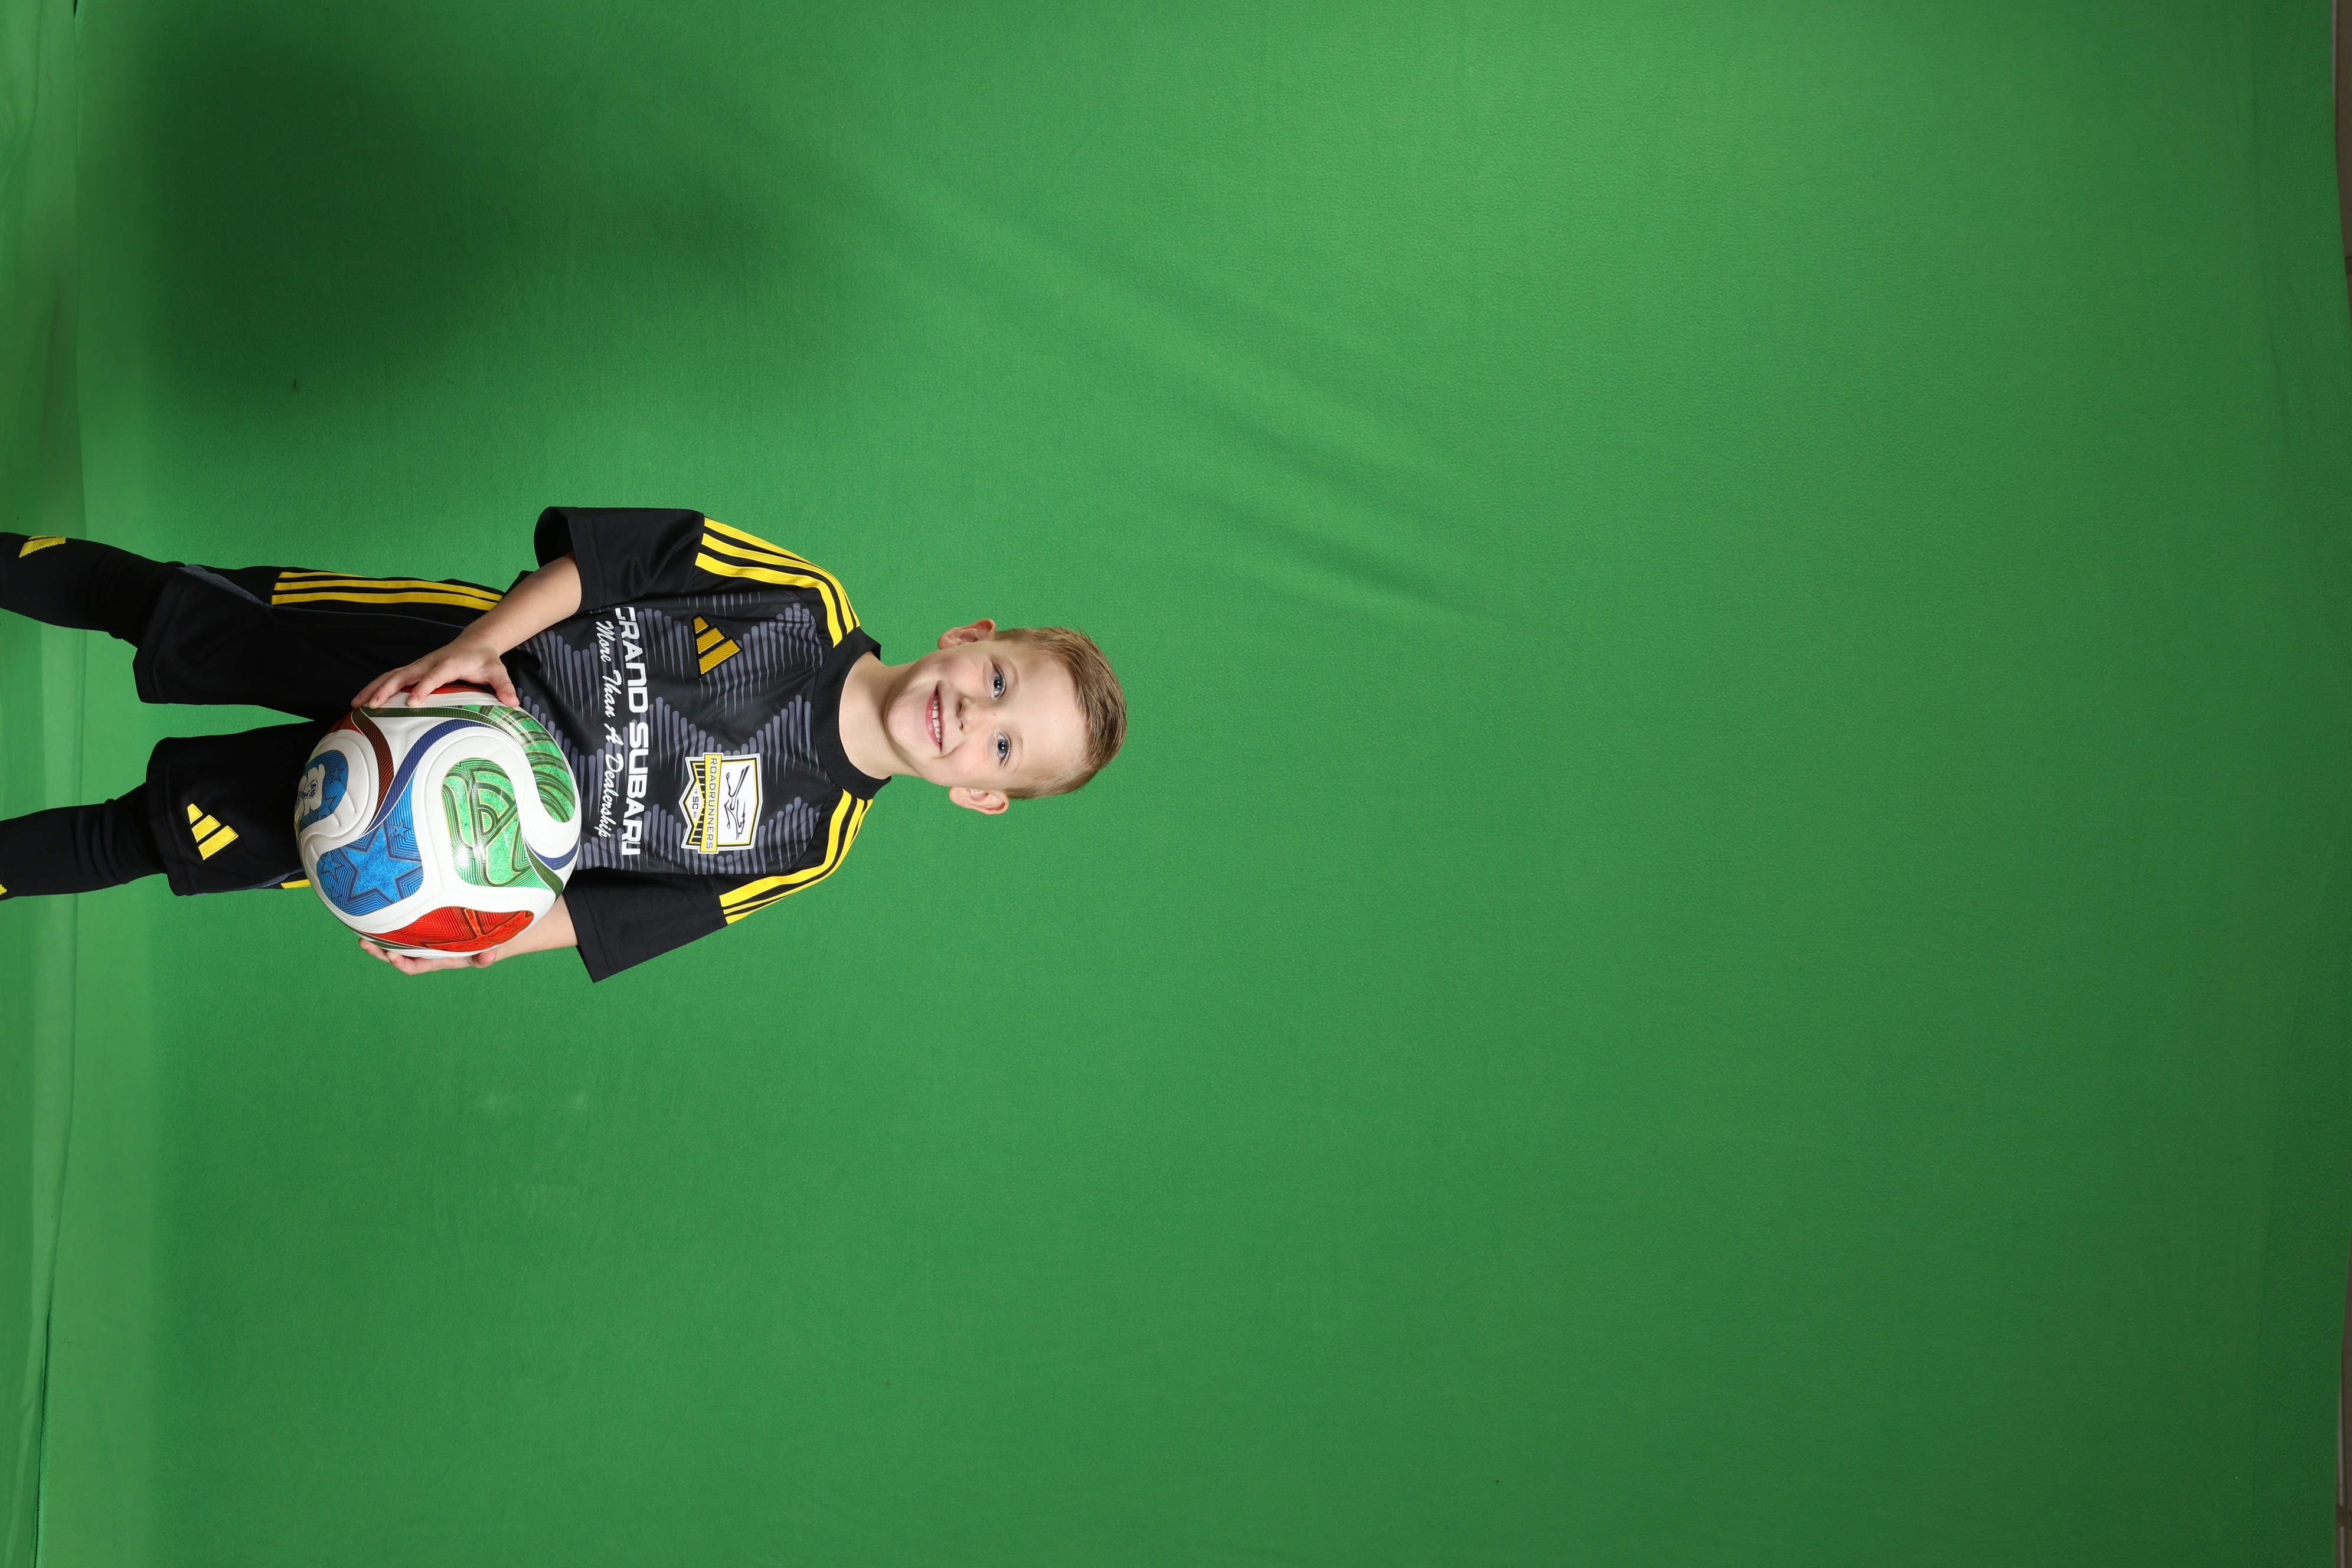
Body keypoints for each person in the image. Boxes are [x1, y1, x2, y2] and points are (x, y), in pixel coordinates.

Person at [0, 509, 1126, 980]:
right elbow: (614, 564)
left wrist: (474, 941)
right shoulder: (803, 602)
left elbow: (610, 913)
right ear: (971, 637)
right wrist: (478, 646)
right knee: (162, 611)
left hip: (413, 834)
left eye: (1003, 749)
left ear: (981, 797)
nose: (973, 717)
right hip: (427, 665)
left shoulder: (807, 843)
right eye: (997, 682)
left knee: (145, 838)